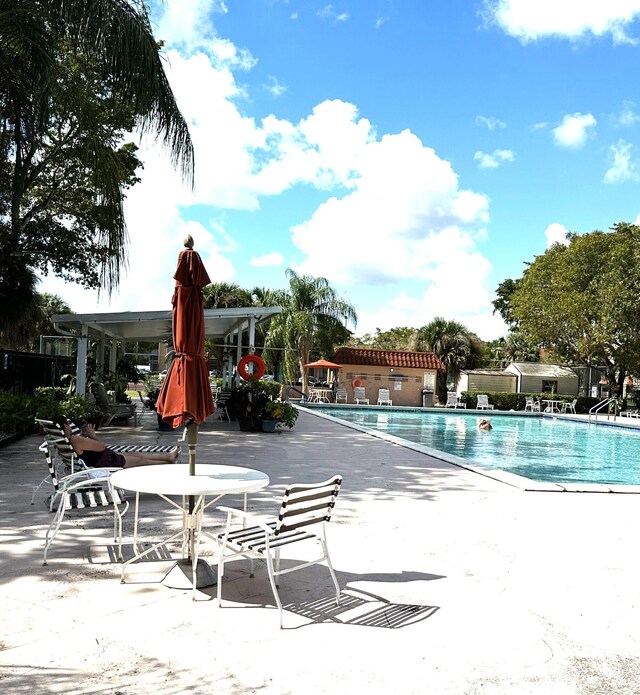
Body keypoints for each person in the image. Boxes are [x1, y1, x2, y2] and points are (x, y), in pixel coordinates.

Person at [51, 415, 179, 468]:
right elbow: (101, 446)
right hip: (106, 462)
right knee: (140, 460)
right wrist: (92, 435)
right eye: (67, 424)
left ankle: (168, 457)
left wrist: (85, 438)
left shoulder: (67, 440)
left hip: (103, 459)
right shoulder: (76, 440)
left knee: (137, 455)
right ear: (66, 425)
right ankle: (167, 461)